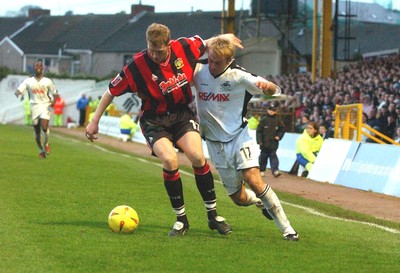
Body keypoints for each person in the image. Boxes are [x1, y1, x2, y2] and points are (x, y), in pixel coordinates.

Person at [85, 23, 242, 237]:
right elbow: (110, 91)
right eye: (151, 49)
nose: (155, 55)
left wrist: (226, 36)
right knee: (170, 161)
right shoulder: (136, 66)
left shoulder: (184, 47)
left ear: (169, 44)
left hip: (181, 114)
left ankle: (213, 216)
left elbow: (206, 43)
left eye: (159, 51)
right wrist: (94, 121)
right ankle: (181, 220)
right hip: (154, 120)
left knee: (197, 156)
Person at [192, 35, 299, 241]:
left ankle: (288, 230)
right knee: (238, 199)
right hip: (214, 143)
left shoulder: (239, 75)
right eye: (211, 59)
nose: (212, 65)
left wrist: (269, 88)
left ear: (229, 60)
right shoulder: (198, 70)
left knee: (254, 180)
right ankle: (261, 203)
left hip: (239, 137)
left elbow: (272, 90)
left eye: (217, 62)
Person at [15, 60, 58, 158]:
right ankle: (41, 149)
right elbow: (19, 89)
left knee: (44, 127)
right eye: (36, 65)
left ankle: (46, 144)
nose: (38, 67)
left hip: (45, 105)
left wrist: (54, 102)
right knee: (37, 131)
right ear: (34, 68)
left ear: (43, 68)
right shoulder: (28, 81)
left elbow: (55, 93)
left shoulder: (48, 81)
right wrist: (17, 93)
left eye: (40, 65)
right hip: (33, 106)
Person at [256, 101, 285, 178]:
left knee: (273, 155)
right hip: (264, 143)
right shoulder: (263, 120)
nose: (271, 112)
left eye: (273, 110)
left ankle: (275, 171)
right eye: (270, 110)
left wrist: (279, 136)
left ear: (276, 111)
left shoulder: (278, 120)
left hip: (273, 143)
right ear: (268, 110)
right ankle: (261, 170)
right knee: (263, 156)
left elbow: (282, 130)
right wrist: (259, 141)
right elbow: (259, 131)